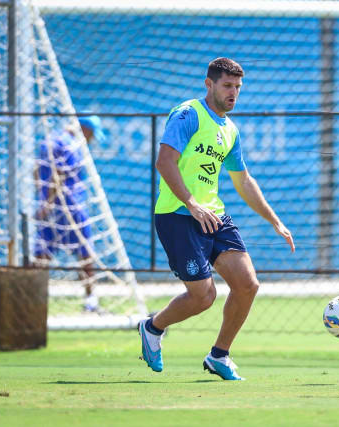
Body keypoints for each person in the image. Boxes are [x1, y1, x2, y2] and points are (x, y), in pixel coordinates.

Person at [139, 57, 295, 379]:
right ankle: (153, 327)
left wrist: (275, 220)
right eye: (227, 86)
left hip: (214, 216)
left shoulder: (230, 130)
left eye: (238, 87)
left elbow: (244, 180)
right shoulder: (188, 114)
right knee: (203, 297)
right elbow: (164, 162)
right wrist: (193, 204)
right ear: (208, 84)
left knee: (248, 284)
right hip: (178, 215)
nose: (233, 93)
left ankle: (219, 356)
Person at [34, 115, 106, 312]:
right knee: (85, 255)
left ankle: (32, 299)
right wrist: (48, 202)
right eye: (91, 135)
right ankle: (91, 300)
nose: (90, 140)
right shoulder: (72, 145)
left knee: (42, 255)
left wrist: (42, 201)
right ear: (85, 130)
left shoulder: (48, 141)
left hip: (51, 209)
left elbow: (37, 172)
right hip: (71, 207)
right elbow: (60, 174)